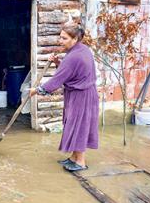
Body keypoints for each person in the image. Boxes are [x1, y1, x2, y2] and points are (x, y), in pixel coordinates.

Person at [30, 22, 99, 172]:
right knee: (72, 124)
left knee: (79, 125)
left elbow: (57, 80)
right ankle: (74, 157)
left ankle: (80, 162)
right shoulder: (82, 50)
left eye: (64, 38)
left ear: (75, 39)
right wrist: (57, 62)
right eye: (60, 37)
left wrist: (37, 90)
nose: (60, 41)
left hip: (82, 96)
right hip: (82, 93)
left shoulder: (73, 56)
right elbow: (71, 72)